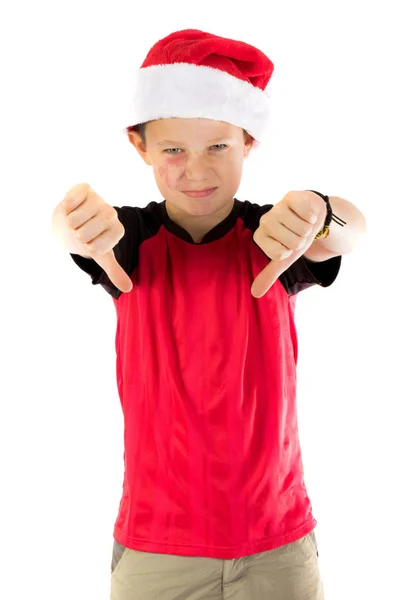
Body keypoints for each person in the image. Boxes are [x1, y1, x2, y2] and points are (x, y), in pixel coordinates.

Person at [51, 28, 366, 600]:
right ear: (139, 147)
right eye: (174, 150)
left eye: (217, 146)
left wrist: (322, 211)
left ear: (248, 142)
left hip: (278, 544)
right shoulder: (128, 241)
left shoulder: (276, 236)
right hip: (156, 551)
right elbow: (73, 231)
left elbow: (349, 230)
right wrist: (67, 222)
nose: (196, 170)